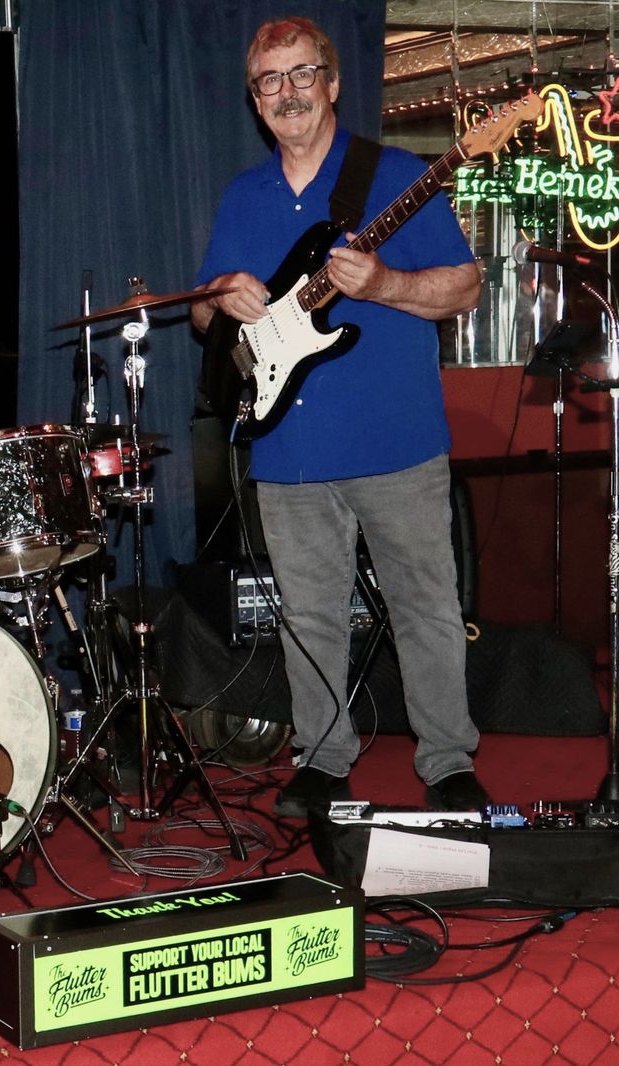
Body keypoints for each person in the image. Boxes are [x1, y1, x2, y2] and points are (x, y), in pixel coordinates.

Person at [191, 17, 489, 818]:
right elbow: (203, 321)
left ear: (330, 83)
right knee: (309, 615)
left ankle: (448, 761)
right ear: (255, 100)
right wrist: (219, 298)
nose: (286, 92)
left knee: (425, 606)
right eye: (269, 80)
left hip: (396, 438)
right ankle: (322, 759)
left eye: (300, 74)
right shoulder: (243, 195)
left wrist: (386, 285)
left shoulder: (396, 176)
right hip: (287, 444)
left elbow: (465, 286)